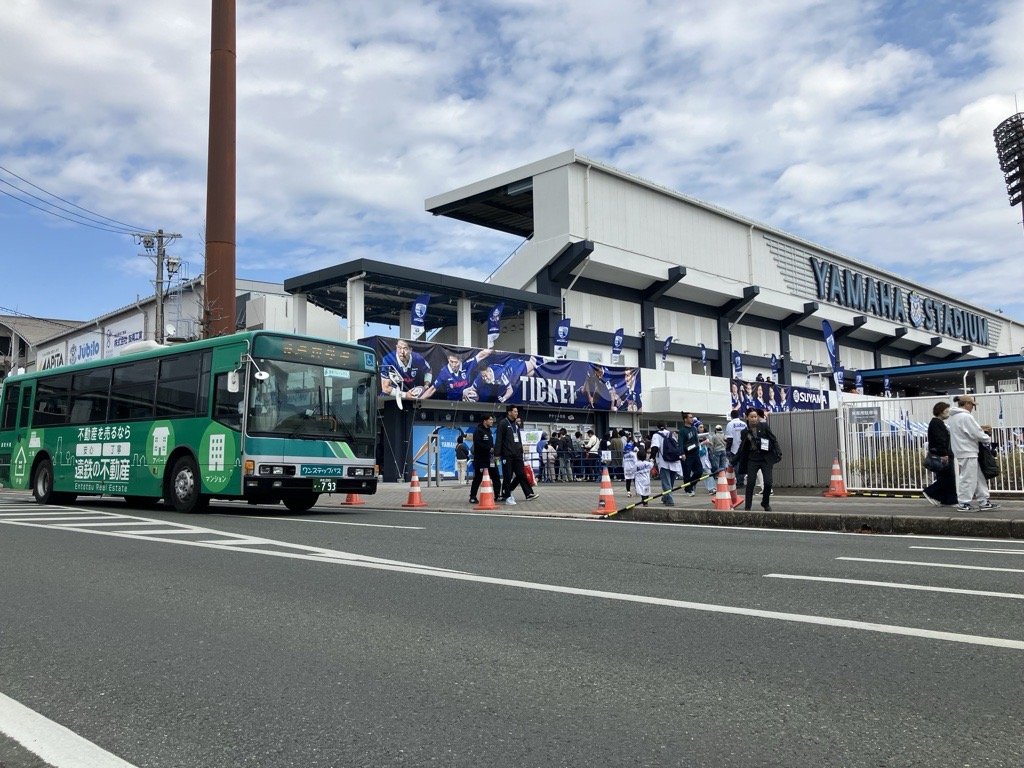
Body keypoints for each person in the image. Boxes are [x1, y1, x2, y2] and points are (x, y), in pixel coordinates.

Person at [946, 394, 998, 512]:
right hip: (968, 450)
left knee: (977, 477)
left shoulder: (954, 417)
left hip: (962, 450)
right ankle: (964, 502)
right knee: (968, 477)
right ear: (967, 404)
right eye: (972, 405)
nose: (972, 408)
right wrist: (987, 438)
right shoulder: (966, 416)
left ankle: (983, 500)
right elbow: (976, 432)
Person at [735, 408, 781, 512]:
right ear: (747, 417)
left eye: (755, 417)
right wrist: (733, 460)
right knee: (750, 483)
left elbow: (773, 439)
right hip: (752, 459)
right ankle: (748, 507)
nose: (754, 419)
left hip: (765, 458)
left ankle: (765, 503)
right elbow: (742, 448)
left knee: (768, 483)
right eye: (751, 417)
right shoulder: (744, 432)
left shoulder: (764, 426)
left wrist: (778, 452)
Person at [495, 405, 536, 504]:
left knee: (521, 474)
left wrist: (521, 449)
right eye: (515, 411)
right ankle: (507, 496)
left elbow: (518, 439)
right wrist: (497, 454)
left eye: (517, 412)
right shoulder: (503, 423)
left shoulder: (516, 424)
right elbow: (499, 439)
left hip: (517, 454)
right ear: (509, 412)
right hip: (507, 454)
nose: (517, 413)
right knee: (508, 476)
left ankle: (529, 493)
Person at [922, 401, 957, 506]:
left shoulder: (937, 423)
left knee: (945, 477)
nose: (948, 413)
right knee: (948, 478)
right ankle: (930, 491)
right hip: (942, 454)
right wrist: (944, 454)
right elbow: (940, 440)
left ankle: (947, 500)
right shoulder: (937, 423)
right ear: (940, 411)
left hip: (942, 454)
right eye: (946, 411)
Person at [468, 414, 500, 504]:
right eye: (490, 420)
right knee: (478, 478)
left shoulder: (489, 431)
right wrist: (489, 449)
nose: (492, 421)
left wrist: (494, 451)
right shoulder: (478, 431)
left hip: (491, 459)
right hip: (481, 459)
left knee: (496, 476)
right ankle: (473, 497)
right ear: (485, 421)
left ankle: (497, 495)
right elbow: (478, 444)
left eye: (492, 420)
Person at [649, 421, 682, 506]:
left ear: (657, 427)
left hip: (663, 462)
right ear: (666, 426)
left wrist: (652, 458)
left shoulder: (656, 435)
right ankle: (665, 497)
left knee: (666, 482)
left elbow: (655, 447)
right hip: (675, 461)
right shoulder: (672, 434)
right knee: (671, 482)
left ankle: (670, 500)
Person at [678, 411, 704, 496]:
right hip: (687, 455)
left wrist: (698, 448)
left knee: (699, 471)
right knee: (687, 474)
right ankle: (688, 490)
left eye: (692, 417)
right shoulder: (682, 430)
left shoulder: (694, 429)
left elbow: (696, 440)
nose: (692, 419)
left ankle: (690, 485)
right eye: (690, 417)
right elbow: (680, 443)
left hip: (695, 454)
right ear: (685, 419)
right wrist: (682, 453)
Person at [724, 409, 747, 486]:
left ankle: (739, 482)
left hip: (734, 448)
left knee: (736, 465)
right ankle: (741, 481)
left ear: (731, 416)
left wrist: (727, 449)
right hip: (744, 447)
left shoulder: (730, 424)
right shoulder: (744, 424)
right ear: (738, 415)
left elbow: (729, 438)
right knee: (742, 465)